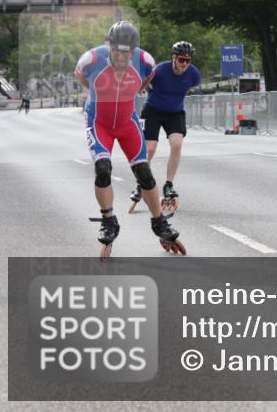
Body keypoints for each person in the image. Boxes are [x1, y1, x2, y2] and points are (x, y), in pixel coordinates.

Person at [74, 21, 185, 258]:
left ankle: (159, 222)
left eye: (126, 52)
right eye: (116, 50)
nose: (120, 56)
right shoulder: (91, 59)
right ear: (109, 45)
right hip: (99, 122)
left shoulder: (146, 62)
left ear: (133, 50)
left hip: (127, 123)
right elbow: (82, 79)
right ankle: (109, 220)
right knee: (103, 168)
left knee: (144, 173)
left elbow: (144, 83)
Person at [129, 41, 201, 212]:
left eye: (188, 60)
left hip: (175, 112)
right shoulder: (160, 69)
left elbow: (188, 88)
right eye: (181, 59)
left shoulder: (194, 74)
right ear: (174, 58)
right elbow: (144, 85)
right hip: (153, 111)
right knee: (150, 149)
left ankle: (168, 184)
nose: (185, 64)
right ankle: (141, 183)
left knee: (177, 144)